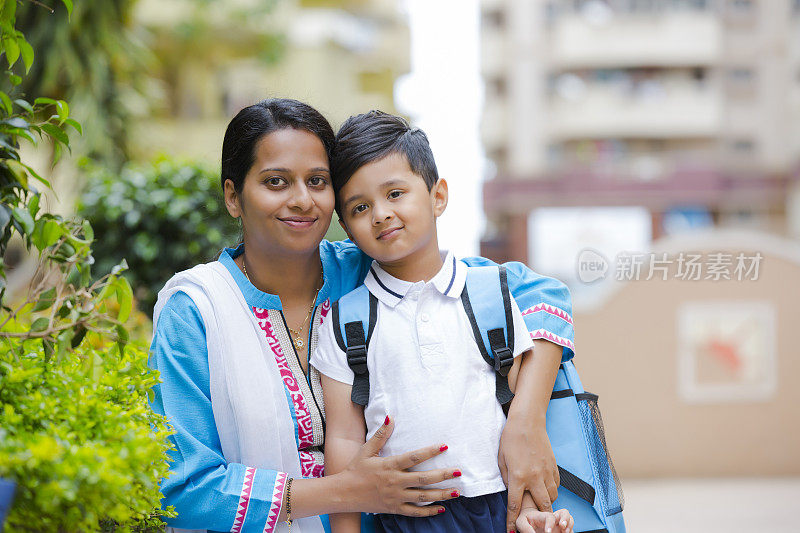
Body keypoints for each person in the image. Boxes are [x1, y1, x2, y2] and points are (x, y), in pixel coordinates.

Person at [149, 99, 575, 533]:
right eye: (276, 182)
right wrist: (348, 491)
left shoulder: (366, 268)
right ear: (233, 196)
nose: (301, 200)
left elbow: (540, 295)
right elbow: (180, 484)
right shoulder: (198, 311)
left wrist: (525, 420)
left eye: (317, 181)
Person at [313, 111, 575, 533]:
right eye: (360, 207)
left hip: (495, 509)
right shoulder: (346, 320)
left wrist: (530, 511)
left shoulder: (492, 295)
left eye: (395, 193)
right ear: (346, 227)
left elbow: (511, 408)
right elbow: (343, 438)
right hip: (402, 517)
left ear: (438, 196)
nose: (380, 214)